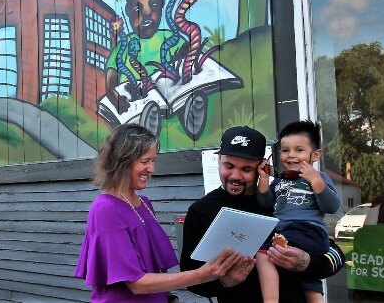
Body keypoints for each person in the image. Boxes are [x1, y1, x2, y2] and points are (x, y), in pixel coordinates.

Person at [75, 124, 253, 302]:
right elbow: (136, 283)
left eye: (153, 161)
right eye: (145, 162)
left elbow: (155, 271)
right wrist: (203, 274)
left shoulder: (144, 204)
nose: (151, 169)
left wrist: (170, 298)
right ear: (122, 161)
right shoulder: (106, 208)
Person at [179, 125, 345, 303]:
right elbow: (190, 277)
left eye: (246, 169)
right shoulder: (201, 211)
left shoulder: (280, 201)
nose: (235, 175)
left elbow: (335, 255)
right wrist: (224, 282)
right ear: (219, 160)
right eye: (229, 166)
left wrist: (308, 263)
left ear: (261, 167)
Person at [255, 120, 340, 303]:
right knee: (309, 280)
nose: (291, 155)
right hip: (287, 232)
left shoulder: (320, 178)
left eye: (299, 150)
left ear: (315, 155)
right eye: (285, 150)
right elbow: (265, 203)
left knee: (263, 253)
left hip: (309, 231)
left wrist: (316, 181)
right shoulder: (279, 180)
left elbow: (332, 206)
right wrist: (263, 180)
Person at [105, 0, 186, 114]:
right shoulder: (125, 45)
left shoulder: (169, 38)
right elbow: (111, 81)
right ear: (128, 10)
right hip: (134, 109)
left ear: (163, 2)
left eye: (153, 4)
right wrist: (114, 96)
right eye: (138, 8)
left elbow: (188, 57)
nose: (147, 13)